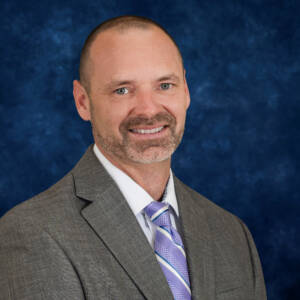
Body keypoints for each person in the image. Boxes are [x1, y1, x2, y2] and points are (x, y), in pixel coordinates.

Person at [0, 16, 267, 300]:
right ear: (83, 102)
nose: (148, 109)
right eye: (122, 90)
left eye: (164, 85)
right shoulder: (32, 234)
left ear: (186, 91)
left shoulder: (231, 233)